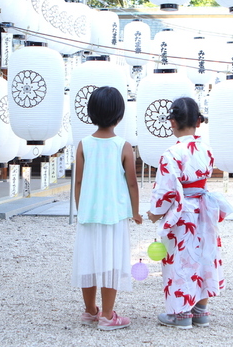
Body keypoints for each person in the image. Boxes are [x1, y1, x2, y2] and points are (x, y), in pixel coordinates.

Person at [147, 97, 233, 329]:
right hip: (204, 210)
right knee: (205, 254)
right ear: (198, 122)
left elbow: (166, 190)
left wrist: (155, 212)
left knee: (181, 259)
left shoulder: (171, 153)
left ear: (172, 122)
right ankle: (201, 311)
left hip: (183, 213)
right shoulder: (206, 149)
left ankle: (181, 314)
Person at [71, 86, 143, 331]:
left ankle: (90, 311)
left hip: (88, 215)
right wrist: (135, 212)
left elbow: (78, 182)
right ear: (119, 116)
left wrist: (81, 209)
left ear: (91, 114)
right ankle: (108, 315)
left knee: (88, 261)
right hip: (114, 215)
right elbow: (132, 183)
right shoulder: (123, 146)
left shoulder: (83, 145)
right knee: (110, 262)